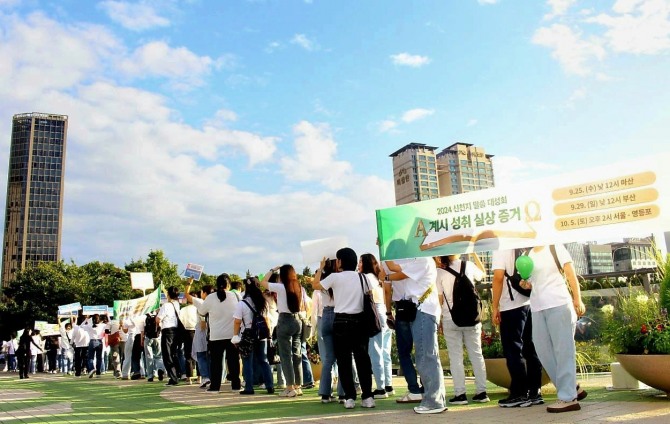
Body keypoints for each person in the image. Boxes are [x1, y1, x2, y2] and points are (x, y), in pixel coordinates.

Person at [381, 257, 447, 414]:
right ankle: (434, 399)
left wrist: (385, 248)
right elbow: (394, 268)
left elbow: (395, 269)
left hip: (424, 310)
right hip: (417, 309)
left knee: (426, 355)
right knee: (426, 354)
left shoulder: (423, 260)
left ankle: (434, 401)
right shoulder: (414, 259)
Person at [312, 248, 375, 410]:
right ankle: (367, 396)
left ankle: (349, 397)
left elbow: (315, 285)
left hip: (340, 321)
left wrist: (320, 267)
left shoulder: (334, 277)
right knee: (362, 359)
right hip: (360, 321)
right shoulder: (364, 278)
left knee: (344, 361)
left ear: (339, 261)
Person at [525, 244, 586, 413]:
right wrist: (526, 283)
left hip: (558, 303)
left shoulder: (554, 247)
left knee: (563, 350)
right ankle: (571, 387)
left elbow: (570, 272)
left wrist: (577, 299)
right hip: (537, 307)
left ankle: (568, 398)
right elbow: (532, 281)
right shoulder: (529, 253)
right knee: (543, 351)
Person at [491, 248, 544, 407]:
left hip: (510, 306)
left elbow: (498, 278)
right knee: (531, 348)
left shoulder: (500, 249)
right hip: (529, 303)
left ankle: (519, 393)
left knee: (513, 348)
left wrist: (495, 307)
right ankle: (535, 391)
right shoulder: (524, 246)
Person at [436, 254, 489, 405]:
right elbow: (483, 274)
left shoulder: (440, 272)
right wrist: (474, 254)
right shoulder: (469, 266)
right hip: (472, 318)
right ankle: (482, 392)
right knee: (476, 354)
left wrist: (439, 319)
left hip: (450, 318)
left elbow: (439, 299)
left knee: (456, 357)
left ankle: (460, 394)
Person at [261, 265, 304, 397]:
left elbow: (262, 282)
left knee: (285, 356)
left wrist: (272, 270)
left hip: (285, 320)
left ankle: (290, 387)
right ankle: (298, 385)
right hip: (297, 320)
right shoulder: (299, 287)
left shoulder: (280, 287)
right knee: (297, 354)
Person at [194, 274, 241, 392]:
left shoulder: (210, 298)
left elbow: (201, 311)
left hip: (215, 335)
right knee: (233, 361)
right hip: (232, 334)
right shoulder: (236, 295)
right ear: (229, 285)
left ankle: (215, 386)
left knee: (216, 362)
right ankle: (236, 385)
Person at [232, 276, 274, 395]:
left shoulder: (242, 303)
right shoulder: (263, 301)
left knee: (247, 361)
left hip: (248, 334)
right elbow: (267, 320)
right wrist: (268, 334)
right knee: (264, 360)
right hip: (262, 334)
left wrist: (235, 336)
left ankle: (249, 387)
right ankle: (269, 385)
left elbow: (237, 321)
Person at [360, 253, 393, 399]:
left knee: (375, 351)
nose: (358, 264)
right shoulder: (380, 278)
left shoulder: (365, 278)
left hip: (374, 313)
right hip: (385, 312)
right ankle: (388, 385)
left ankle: (380, 388)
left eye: (360, 262)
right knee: (385, 351)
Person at [185, 282, 215, 389]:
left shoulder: (201, 302)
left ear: (204, 293)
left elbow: (187, 296)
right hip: (213, 331)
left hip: (202, 331)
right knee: (210, 356)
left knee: (201, 355)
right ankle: (212, 378)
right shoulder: (216, 301)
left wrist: (188, 284)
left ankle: (205, 377)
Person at [156, 286, 183, 386]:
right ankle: (177, 373)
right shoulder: (177, 305)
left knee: (167, 355)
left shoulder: (166, 305)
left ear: (168, 295)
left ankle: (173, 378)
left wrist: (158, 319)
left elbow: (158, 319)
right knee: (173, 353)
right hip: (176, 331)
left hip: (167, 331)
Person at [81, 314, 109, 378]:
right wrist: (107, 316)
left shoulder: (89, 325)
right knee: (99, 358)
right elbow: (109, 325)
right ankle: (98, 373)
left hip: (92, 341)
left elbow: (81, 326)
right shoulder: (102, 325)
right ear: (99, 319)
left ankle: (92, 368)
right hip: (99, 342)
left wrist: (86, 319)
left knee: (90, 357)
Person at [179, 294, 198, 380]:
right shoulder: (198, 309)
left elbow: (181, 321)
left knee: (188, 355)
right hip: (197, 331)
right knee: (199, 354)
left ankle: (189, 377)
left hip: (187, 332)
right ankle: (200, 377)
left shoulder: (183, 310)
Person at [144, 312, 165, 382]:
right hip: (157, 337)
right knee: (158, 356)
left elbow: (143, 329)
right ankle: (160, 369)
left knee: (149, 357)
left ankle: (150, 375)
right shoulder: (158, 316)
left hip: (148, 338)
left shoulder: (145, 317)